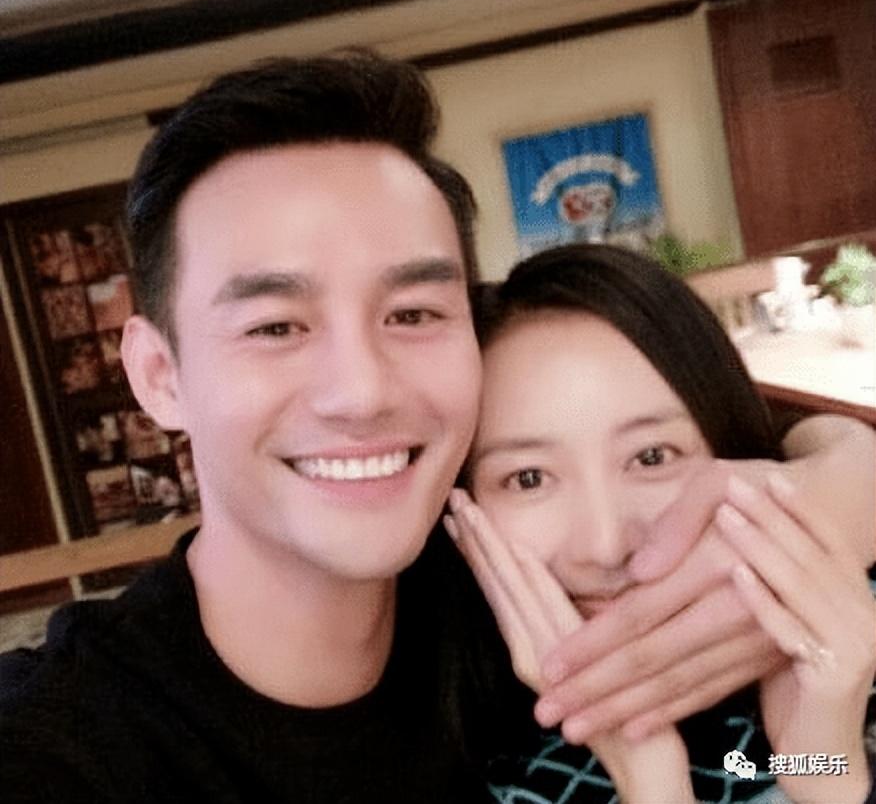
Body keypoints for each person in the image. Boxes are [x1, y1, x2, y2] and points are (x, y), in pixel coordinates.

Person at [0, 51, 873, 802]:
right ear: (160, 376)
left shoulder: (538, 595)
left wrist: (836, 487)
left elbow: (765, 756)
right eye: (275, 326)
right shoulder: (62, 753)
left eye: (413, 314)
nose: (361, 393)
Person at [446, 243, 876, 802]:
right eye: (528, 478)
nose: (605, 547)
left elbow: (783, 768)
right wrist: (651, 780)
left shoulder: (847, 638)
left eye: (651, 457)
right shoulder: (456, 758)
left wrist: (823, 769)